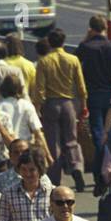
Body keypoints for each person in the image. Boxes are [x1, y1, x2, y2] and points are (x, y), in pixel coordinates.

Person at [35, 28, 88, 192]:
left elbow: (40, 89)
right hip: (69, 103)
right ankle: (76, 167)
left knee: (53, 143)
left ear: (49, 42)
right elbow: (81, 86)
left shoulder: (45, 61)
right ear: (63, 42)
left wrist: (38, 107)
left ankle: (55, 178)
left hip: (51, 103)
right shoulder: (73, 60)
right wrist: (84, 105)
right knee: (71, 140)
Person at [74, 15, 111, 190]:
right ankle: (107, 170)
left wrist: (86, 39)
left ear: (91, 28)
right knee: (109, 133)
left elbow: (76, 62)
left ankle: (99, 175)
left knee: (98, 134)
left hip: (92, 94)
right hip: (110, 94)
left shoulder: (85, 47)